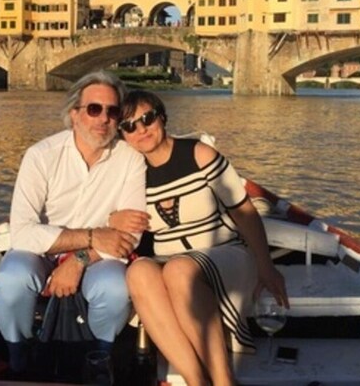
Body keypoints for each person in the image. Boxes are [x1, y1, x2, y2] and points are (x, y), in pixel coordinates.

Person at [110, 89, 289, 386]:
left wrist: (266, 266)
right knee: (140, 271)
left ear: (162, 117)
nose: (140, 130)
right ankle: (197, 381)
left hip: (225, 255)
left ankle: (222, 381)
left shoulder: (198, 154)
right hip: (169, 263)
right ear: (123, 136)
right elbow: (107, 211)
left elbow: (244, 210)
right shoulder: (130, 174)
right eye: (129, 126)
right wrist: (111, 218)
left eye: (147, 118)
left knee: (181, 269)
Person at [0, 70, 147, 375]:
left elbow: (131, 234)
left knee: (114, 289)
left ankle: (99, 359)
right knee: (11, 279)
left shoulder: (130, 160)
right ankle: (19, 358)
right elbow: (22, 232)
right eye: (94, 109)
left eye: (112, 111)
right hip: (43, 250)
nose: (103, 118)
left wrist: (78, 260)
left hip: (96, 257)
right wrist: (91, 235)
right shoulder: (41, 156)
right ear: (74, 115)